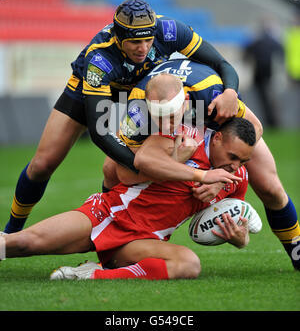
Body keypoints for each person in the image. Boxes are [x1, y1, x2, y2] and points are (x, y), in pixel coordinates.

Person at [4, 0, 241, 234]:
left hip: (142, 93)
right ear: (118, 37)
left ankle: (109, 229)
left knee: (111, 170)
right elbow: (99, 133)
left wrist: (230, 91)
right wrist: (140, 167)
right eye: (135, 42)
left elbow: (221, 63)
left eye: (148, 40)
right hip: (93, 92)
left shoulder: (169, 30)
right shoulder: (100, 59)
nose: (144, 48)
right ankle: (11, 231)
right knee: (42, 164)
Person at [0, 117, 258, 281]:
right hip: (110, 214)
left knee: (189, 264)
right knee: (23, 243)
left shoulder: (236, 178)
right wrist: (197, 173)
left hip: (144, 241)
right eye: (232, 157)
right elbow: (120, 171)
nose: (235, 166)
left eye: (243, 161)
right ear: (218, 138)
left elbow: (238, 218)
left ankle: (94, 274)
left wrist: (240, 239)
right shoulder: (183, 136)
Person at [116, 67, 300, 270]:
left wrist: (220, 179)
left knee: (270, 188)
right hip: (185, 133)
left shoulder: (209, 96)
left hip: (226, 134)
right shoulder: (137, 106)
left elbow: (256, 126)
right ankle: (115, 238)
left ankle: (297, 251)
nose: (165, 125)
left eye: (170, 116)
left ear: (185, 102)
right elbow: (120, 170)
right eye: (158, 117)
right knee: (111, 169)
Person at [243, 18, 284, 127]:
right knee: (268, 99)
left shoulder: (257, 41)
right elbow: (281, 52)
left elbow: (246, 53)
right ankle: (272, 121)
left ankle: (270, 121)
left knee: (265, 100)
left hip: (260, 75)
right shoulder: (271, 41)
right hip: (267, 74)